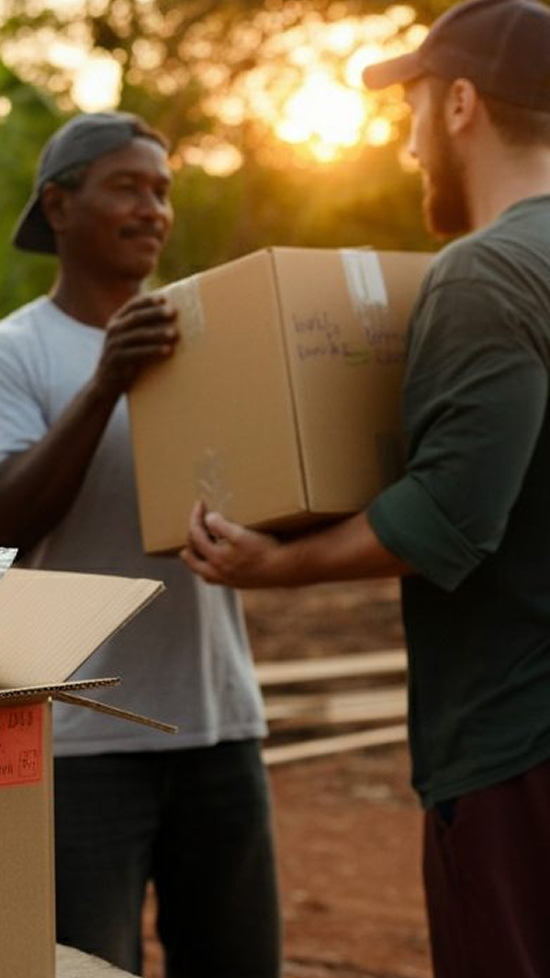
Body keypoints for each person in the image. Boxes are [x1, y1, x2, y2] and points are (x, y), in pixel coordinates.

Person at [180, 1, 550, 974]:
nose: (411, 144)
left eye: (416, 108)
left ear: (462, 103)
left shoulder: (485, 276)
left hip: (520, 742)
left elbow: (447, 522)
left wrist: (275, 563)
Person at [0, 112, 280, 976]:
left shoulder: (201, 338)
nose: (153, 209)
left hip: (216, 722)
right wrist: (104, 385)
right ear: (59, 205)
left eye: (163, 191)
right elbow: (1, 521)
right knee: (92, 967)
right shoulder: (6, 354)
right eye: (128, 187)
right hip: (83, 739)